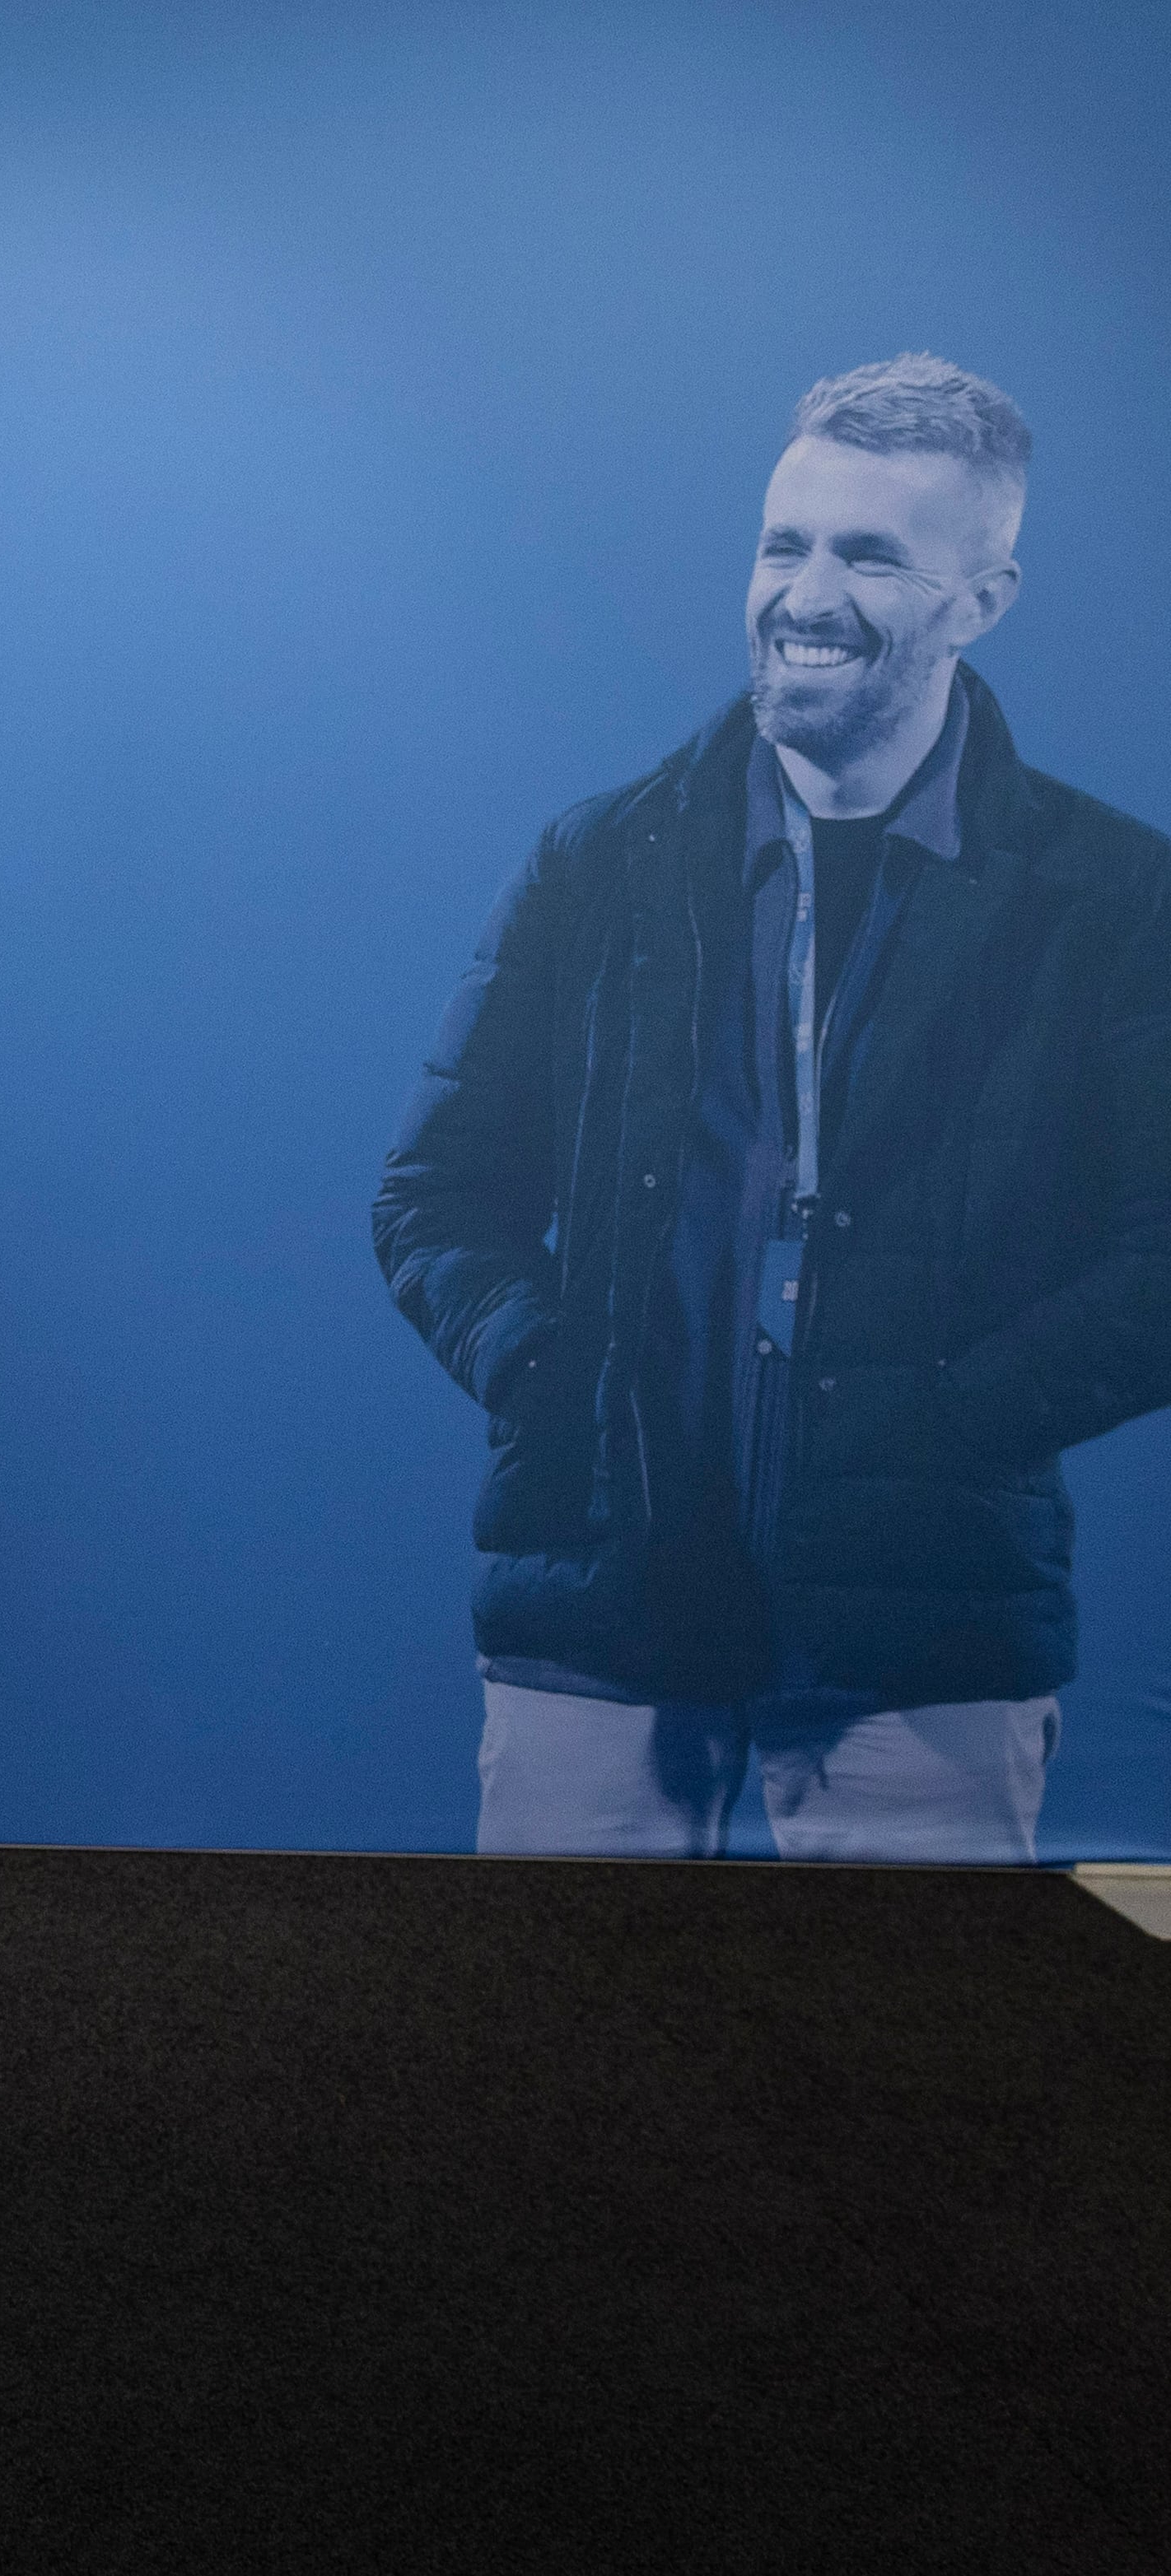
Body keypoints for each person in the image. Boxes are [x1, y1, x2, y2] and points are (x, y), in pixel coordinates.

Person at [376, 353, 1171, 1865]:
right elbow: (433, 1196)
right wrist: (549, 1372)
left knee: (905, 2097)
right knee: (549, 2076)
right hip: (597, 1612)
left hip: (927, 1632)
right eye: (784, 542)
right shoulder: (594, 862)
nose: (805, 593)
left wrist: (951, 1428)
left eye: (870, 553)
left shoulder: (1118, 902)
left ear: (982, 598)